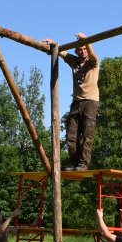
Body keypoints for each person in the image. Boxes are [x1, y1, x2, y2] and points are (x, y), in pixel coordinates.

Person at [44, 32, 99, 171]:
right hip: (76, 102)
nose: (82, 51)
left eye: (84, 49)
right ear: (76, 51)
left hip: (90, 102)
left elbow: (92, 54)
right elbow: (62, 53)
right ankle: (75, 164)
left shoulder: (92, 62)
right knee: (71, 135)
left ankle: (83, 164)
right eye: (79, 49)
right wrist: (53, 43)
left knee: (87, 134)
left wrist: (86, 40)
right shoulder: (74, 61)